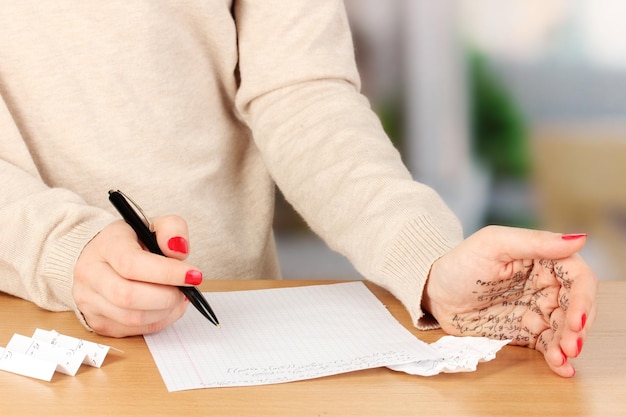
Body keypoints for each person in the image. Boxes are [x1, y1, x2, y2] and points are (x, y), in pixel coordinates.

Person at [0, 1, 596, 379]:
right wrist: (63, 252)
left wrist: (428, 262)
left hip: (229, 333)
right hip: (26, 338)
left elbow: (302, 93)